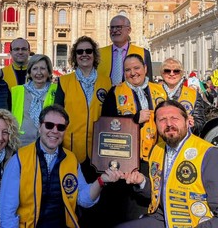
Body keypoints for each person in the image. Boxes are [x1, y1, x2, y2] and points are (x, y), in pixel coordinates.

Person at [0, 104, 123, 228]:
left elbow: (83, 200)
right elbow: (7, 213)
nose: (54, 131)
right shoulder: (19, 160)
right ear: (39, 127)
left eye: (61, 127)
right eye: (49, 125)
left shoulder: (71, 159)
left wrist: (101, 181)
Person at [116, 100, 218, 228]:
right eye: (162, 120)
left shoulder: (209, 153)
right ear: (156, 125)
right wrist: (142, 182)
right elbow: (161, 194)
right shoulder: (157, 150)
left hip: (196, 223)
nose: (169, 124)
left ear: (187, 122)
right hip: (162, 218)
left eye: (174, 118)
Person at [101, 53, 167, 224]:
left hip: (155, 156)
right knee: (125, 209)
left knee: (149, 202)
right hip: (126, 160)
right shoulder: (115, 92)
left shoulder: (160, 90)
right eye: (128, 70)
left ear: (145, 69)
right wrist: (134, 119)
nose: (133, 73)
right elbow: (106, 125)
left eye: (136, 68)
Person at [55, 36, 111, 179]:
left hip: (98, 149)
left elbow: (110, 115)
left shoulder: (107, 82)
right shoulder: (64, 81)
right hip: (71, 147)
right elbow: (58, 115)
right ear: (75, 56)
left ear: (94, 54)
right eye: (80, 52)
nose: (84, 54)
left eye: (88, 51)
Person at [11, 54, 57, 146]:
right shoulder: (16, 91)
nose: (38, 73)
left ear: (49, 72)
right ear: (30, 72)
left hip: (48, 143)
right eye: (35, 68)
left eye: (43, 68)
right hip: (21, 142)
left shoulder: (57, 90)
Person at [97, 14, 153, 85]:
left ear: (129, 30)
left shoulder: (143, 53)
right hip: (104, 94)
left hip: (132, 95)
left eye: (118, 27)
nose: (114, 30)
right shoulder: (99, 53)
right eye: (112, 27)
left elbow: (149, 82)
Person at [160, 57, 206, 135]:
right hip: (158, 142)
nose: (172, 74)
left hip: (184, 141)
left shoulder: (193, 94)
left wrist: (192, 124)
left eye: (176, 71)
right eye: (167, 70)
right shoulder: (152, 91)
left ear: (181, 73)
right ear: (162, 73)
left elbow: (201, 122)